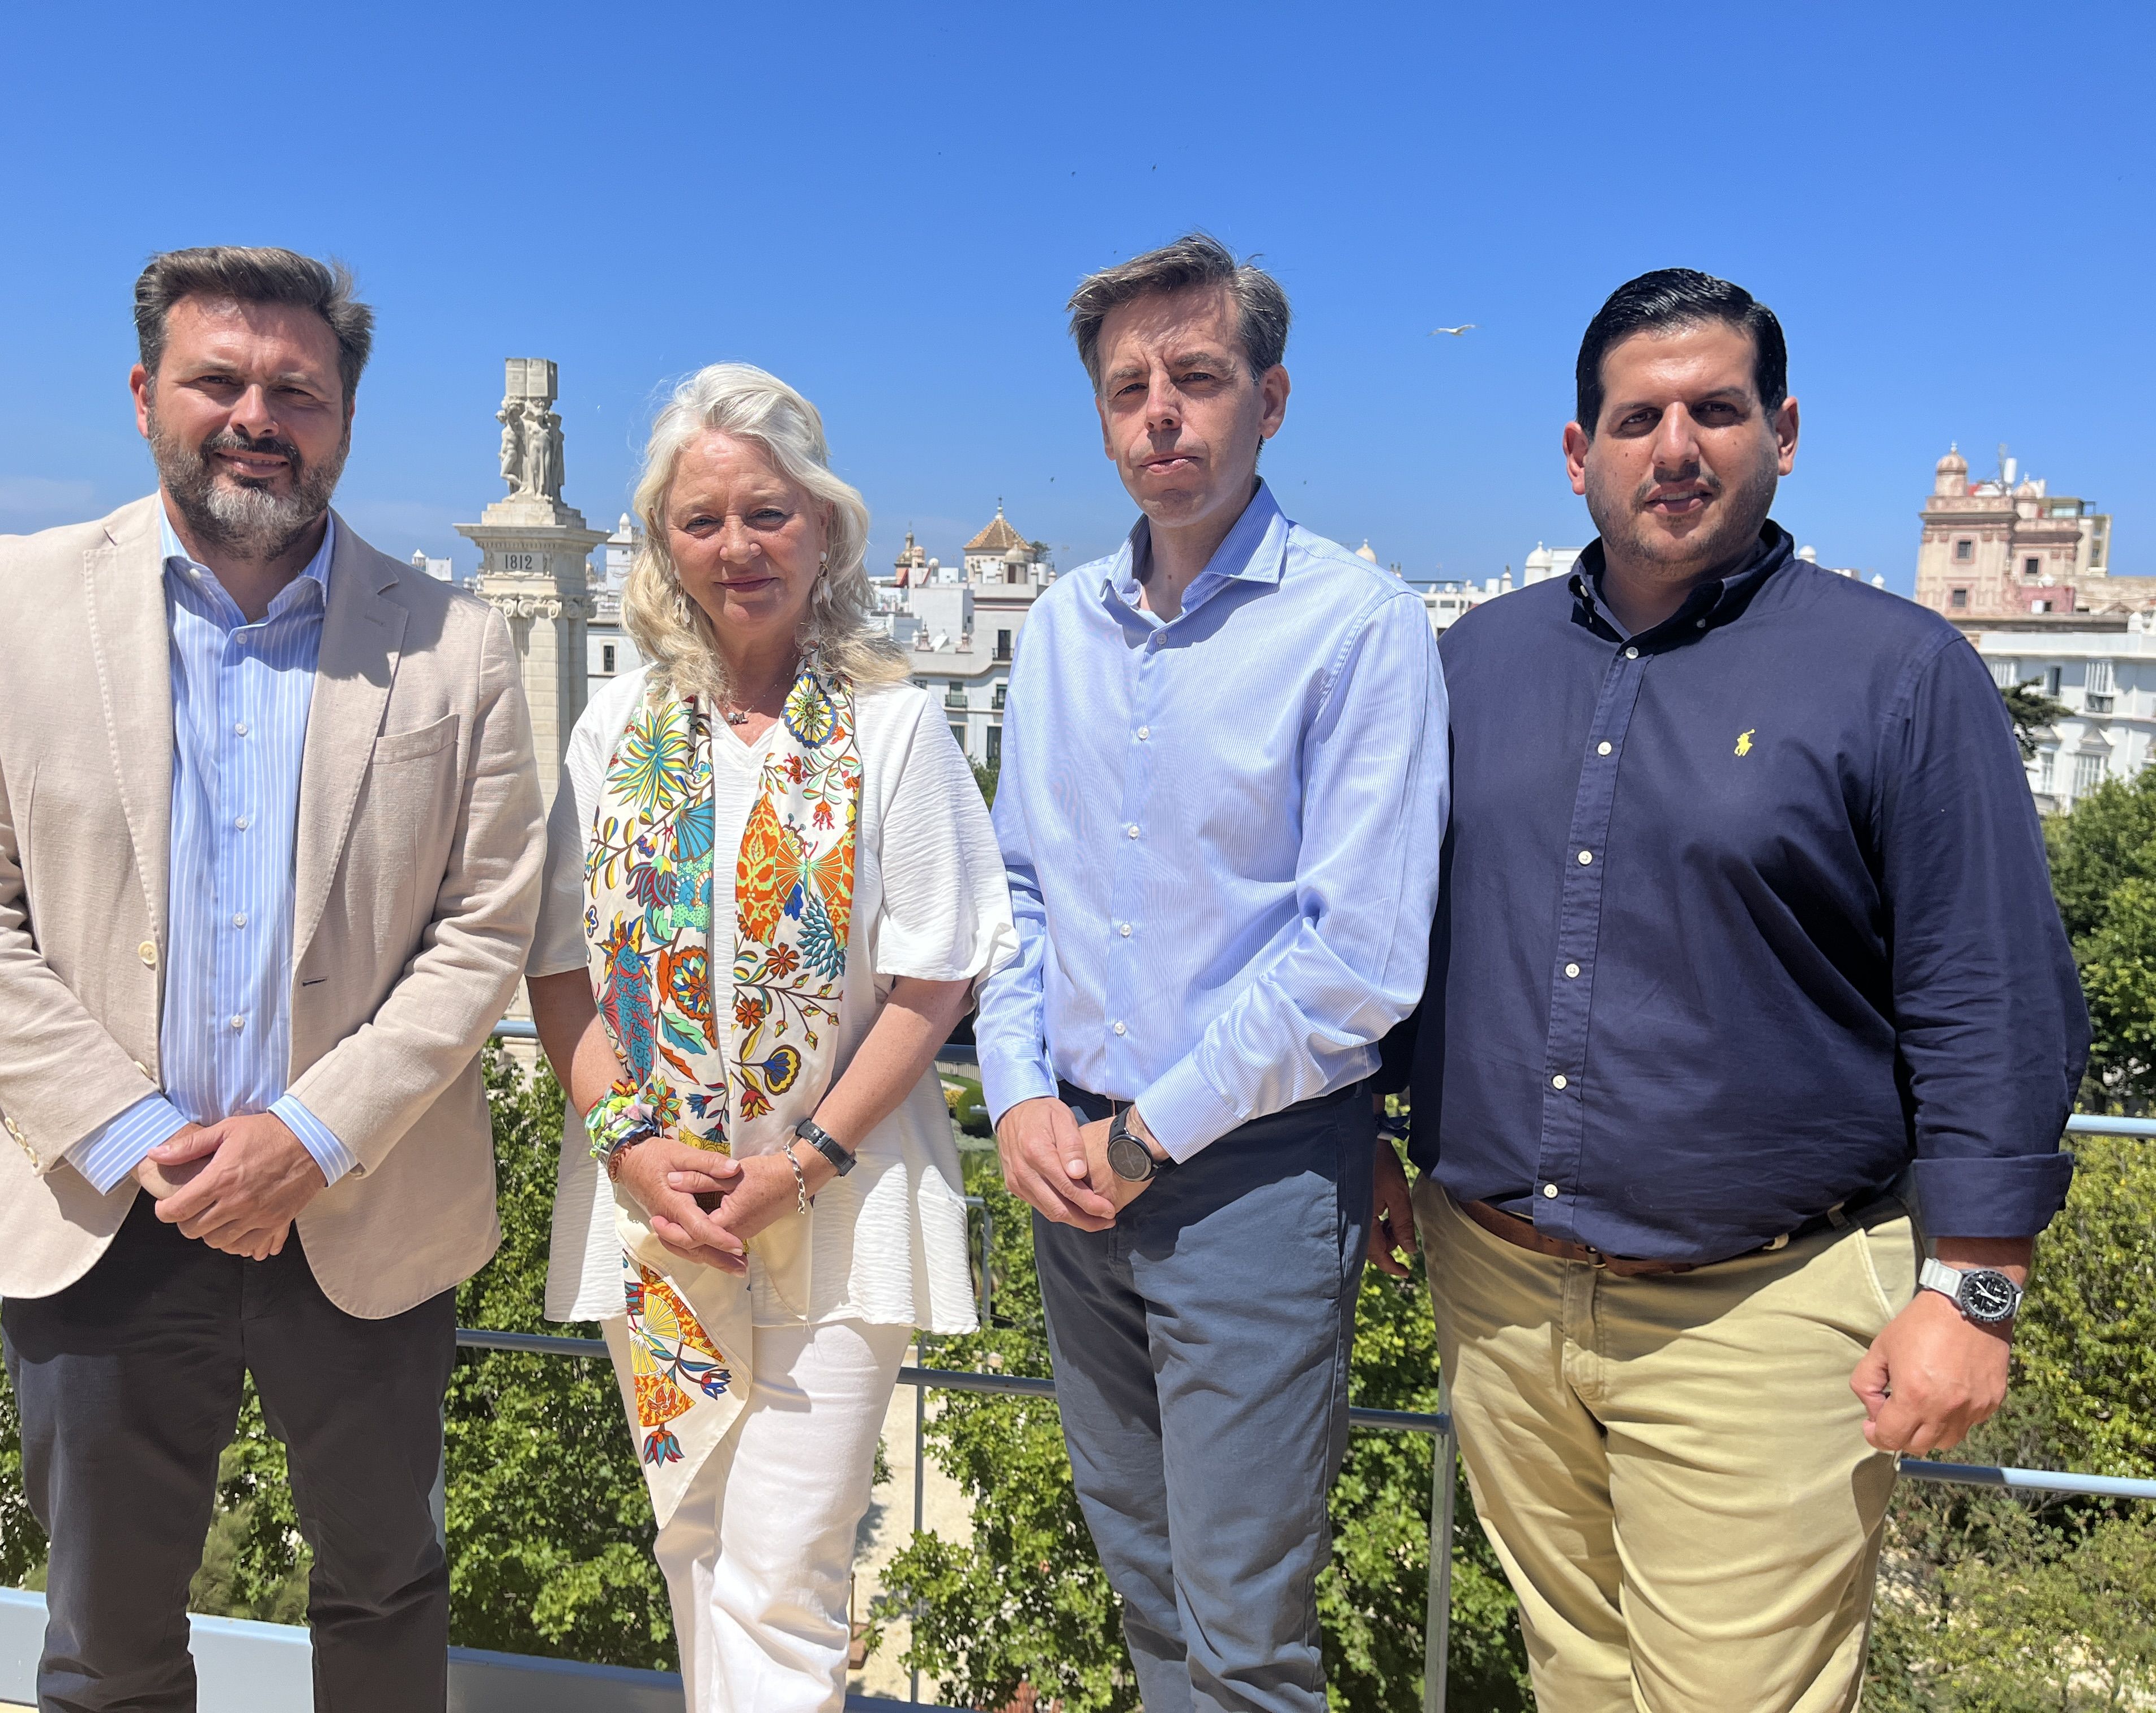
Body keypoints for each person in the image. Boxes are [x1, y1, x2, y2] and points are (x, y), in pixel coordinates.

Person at [1380, 268, 2087, 1712]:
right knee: (1573, 1669)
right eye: (1637, 417)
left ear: (1785, 432)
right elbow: (1402, 930)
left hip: (1761, 1316)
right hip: (1497, 1285)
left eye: (1718, 409)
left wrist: (1979, 1288)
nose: (1678, 446)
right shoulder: (1473, 661)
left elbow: (1991, 992)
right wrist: (1369, 1134)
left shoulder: (1897, 672)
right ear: (1579, 454)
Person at [0, 246, 546, 1710]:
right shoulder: (6, 599)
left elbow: (486, 924)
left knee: (385, 1591)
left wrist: (308, 1137)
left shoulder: (459, 643)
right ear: (145, 397)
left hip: (358, 1206)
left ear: (346, 418)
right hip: (102, 1205)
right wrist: (143, 1140)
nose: (258, 414)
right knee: (108, 1630)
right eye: (219, 381)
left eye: (295, 389)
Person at [974, 234, 1449, 1711]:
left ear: (1272, 398)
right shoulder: (1057, 629)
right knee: (1148, 1589)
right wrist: (1014, 1100)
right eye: (1131, 389)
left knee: (1245, 1627)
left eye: (1196, 377)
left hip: (1251, 1170)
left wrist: (1143, 1134)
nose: (1162, 414)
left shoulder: (1356, 632)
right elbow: (1019, 896)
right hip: (1075, 1169)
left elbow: (1358, 965)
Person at [526, 362, 1015, 1712]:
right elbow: (554, 963)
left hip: (838, 1214)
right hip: (664, 1220)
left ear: (825, 528)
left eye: (766, 513)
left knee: (783, 1574)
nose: (735, 547)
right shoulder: (616, 728)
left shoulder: (893, 727)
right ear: (664, 544)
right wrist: (631, 1151)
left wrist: (797, 1162)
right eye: (701, 519)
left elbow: (933, 984)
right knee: (693, 1540)